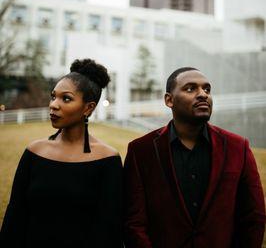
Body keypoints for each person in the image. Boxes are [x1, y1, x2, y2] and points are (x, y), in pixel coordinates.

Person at [124, 67, 266, 248]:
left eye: (207, 89)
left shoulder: (238, 148)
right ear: (169, 100)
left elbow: (253, 217)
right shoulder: (141, 150)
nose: (203, 95)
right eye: (190, 89)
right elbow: (134, 223)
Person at [0, 58, 123, 248]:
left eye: (66, 98)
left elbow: (109, 229)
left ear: (88, 108)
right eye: (53, 96)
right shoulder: (34, 152)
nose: (54, 105)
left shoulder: (108, 159)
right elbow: (15, 216)